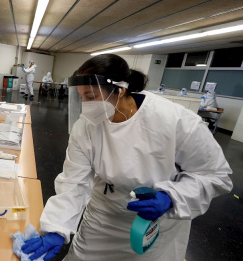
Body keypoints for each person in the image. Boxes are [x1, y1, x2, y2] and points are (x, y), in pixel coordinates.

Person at [22, 54, 233, 261]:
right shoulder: (86, 126)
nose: (85, 105)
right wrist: (56, 227)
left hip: (154, 226)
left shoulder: (175, 121)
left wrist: (171, 198)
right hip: (104, 219)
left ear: (120, 90)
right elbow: (73, 181)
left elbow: (215, 175)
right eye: (82, 97)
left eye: (91, 96)